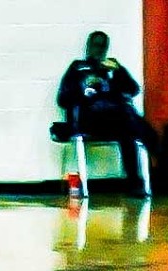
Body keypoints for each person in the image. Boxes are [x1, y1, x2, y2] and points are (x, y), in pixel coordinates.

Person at [56, 30, 159, 196]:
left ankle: (134, 184)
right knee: (130, 122)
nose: (99, 49)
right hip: (90, 119)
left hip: (116, 120)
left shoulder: (112, 67)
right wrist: (84, 90)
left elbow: (133, 89)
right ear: (89, 46)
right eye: (96, 45)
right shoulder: (78, 67)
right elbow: (62, 99)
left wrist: (119, 72)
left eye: (103, 46)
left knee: (127, 129)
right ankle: (154, 145)